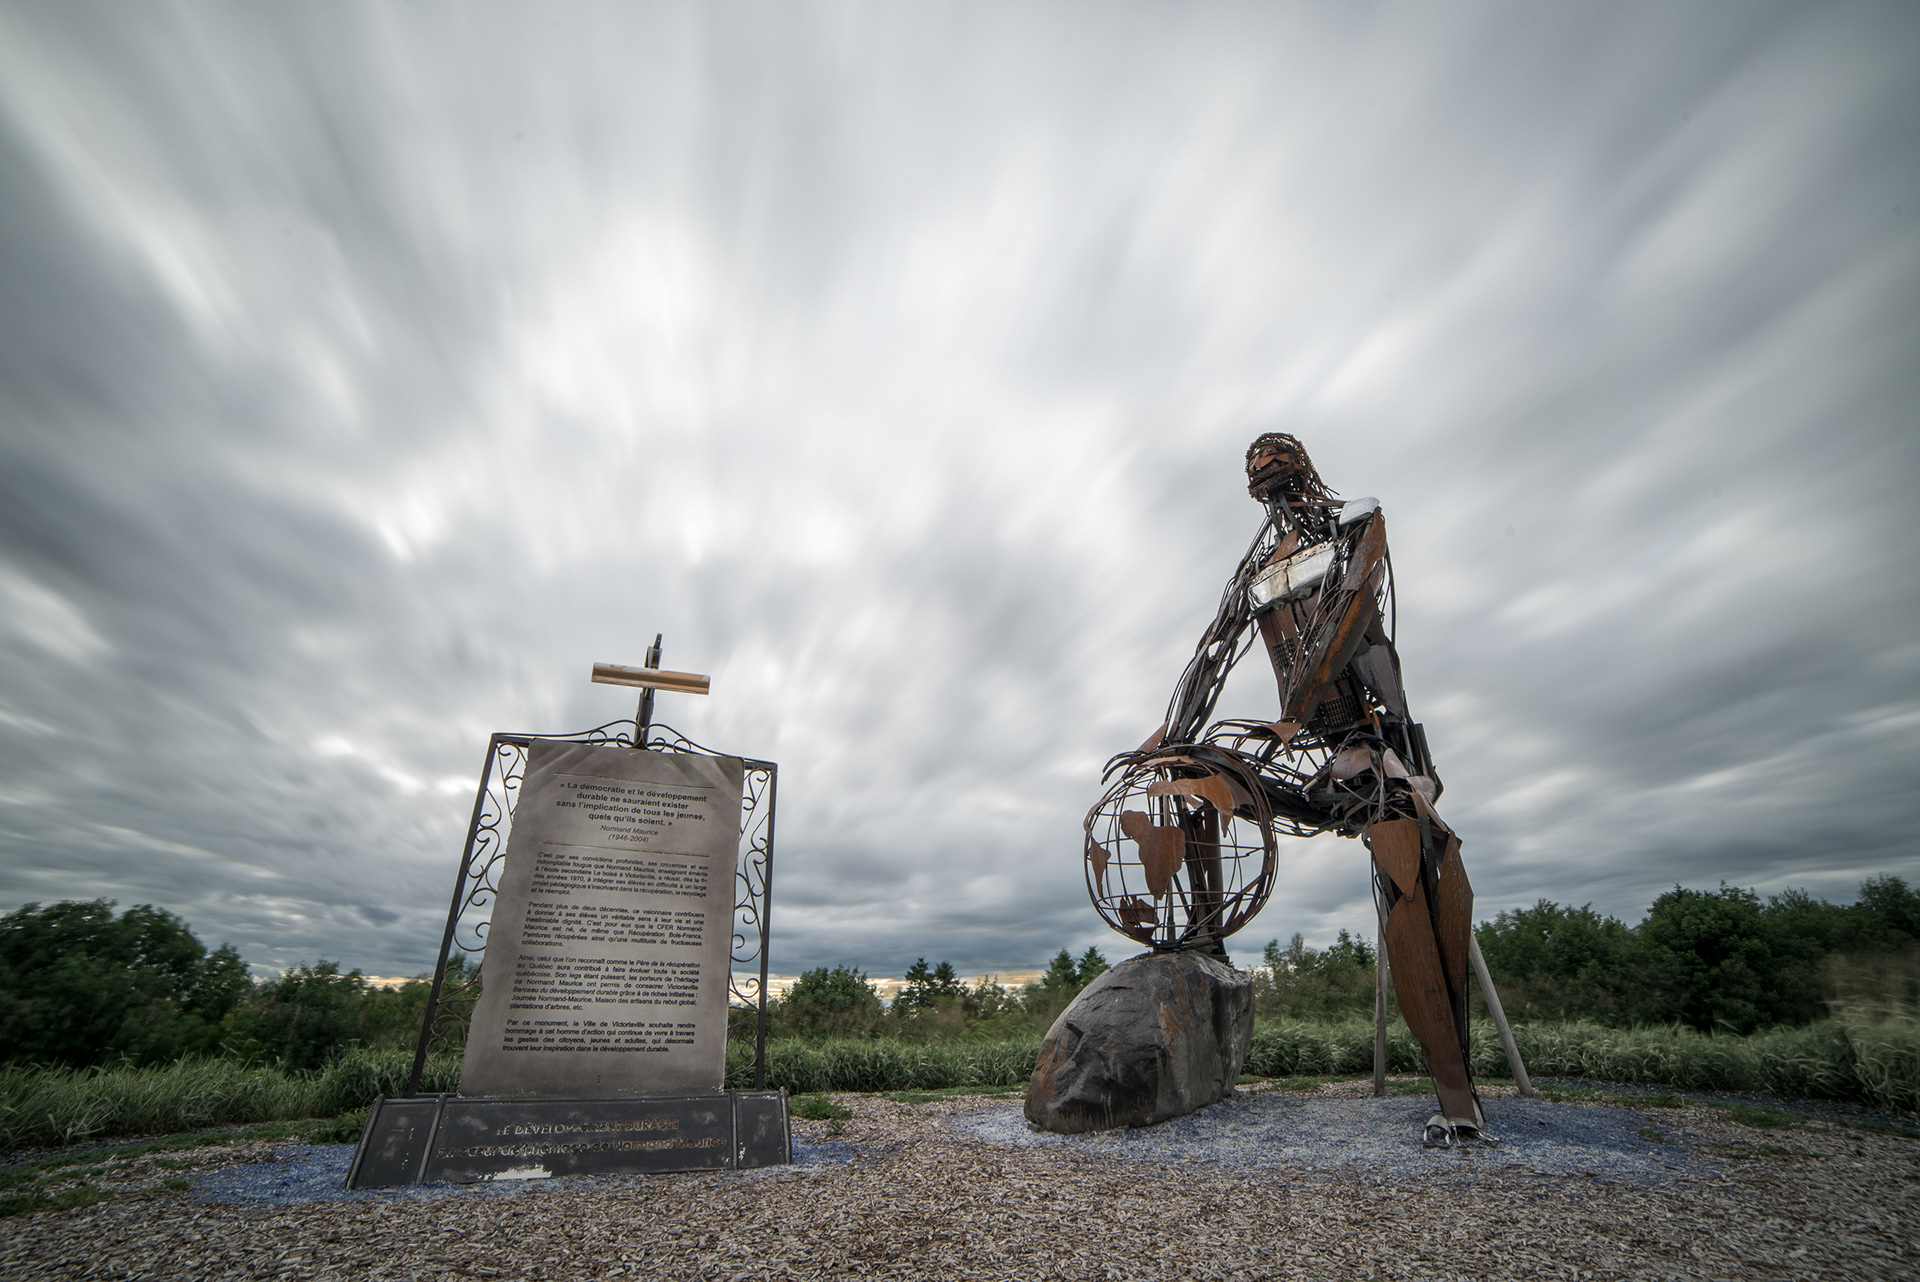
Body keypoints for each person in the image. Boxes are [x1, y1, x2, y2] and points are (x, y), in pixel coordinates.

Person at [1132, 432, 1482, 1137]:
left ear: (1301, 464)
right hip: (1313, 758)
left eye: (1274, 456)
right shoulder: (1256, 570)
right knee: (1192, 771)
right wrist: (1172, 732)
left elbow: (1350, 612)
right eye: (1254, 463)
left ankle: (1457, 1094)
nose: (1262, 468)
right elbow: (1213, 651)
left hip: (1382, 750)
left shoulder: (1359, 522)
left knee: (1406, 853)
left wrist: (1294, 714)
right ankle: (1207, 946)